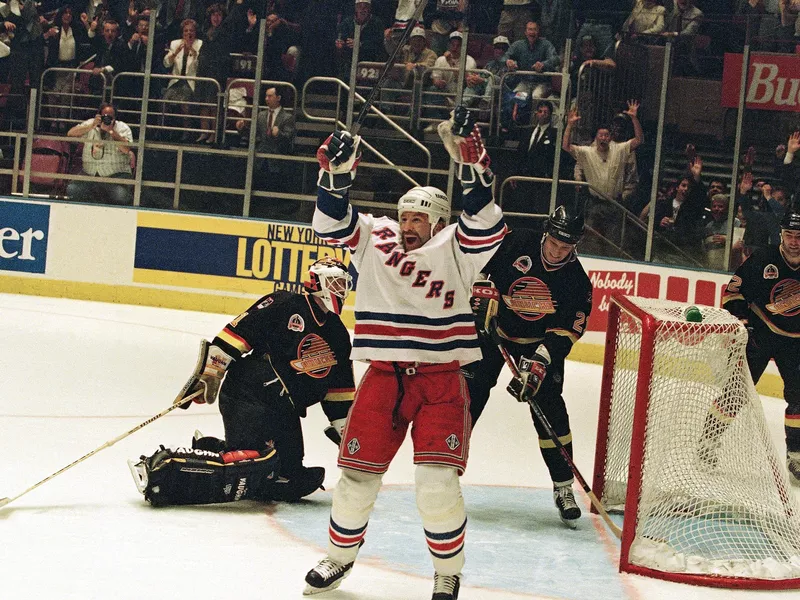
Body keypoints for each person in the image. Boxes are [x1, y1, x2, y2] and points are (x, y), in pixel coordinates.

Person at [303, 107, 506, 600]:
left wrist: (471, 166)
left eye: (420, 217)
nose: (409, 224)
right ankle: (339, 558)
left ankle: (446, 572)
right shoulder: (377, 238)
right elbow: (331, 225)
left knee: (436, 487)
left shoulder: (459, 249)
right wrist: (335, 176)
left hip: (440, 381)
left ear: (438, 221)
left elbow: (481, 219)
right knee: (354, 478)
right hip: (384, 376)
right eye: (405, 215)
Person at [129, 257, 357, 506]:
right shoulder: (284, 304)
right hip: (247, 395)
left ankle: (213, 448)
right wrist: (210, 372)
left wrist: (346, 430)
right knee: (256, 466)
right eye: (334, 283)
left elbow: (339, 389)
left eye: (343, 284)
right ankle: (165, 470)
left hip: (285, 409)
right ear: (315, 283)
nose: (340, 290)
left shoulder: (337, 333)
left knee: (287, 476)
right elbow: (239, 331)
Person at [462, 204, 592, 528]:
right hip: (495, 334)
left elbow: (566, 332)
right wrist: (480, 296)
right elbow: (480, 270)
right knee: (467, 396)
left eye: (565, 248)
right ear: (546, 233)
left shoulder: (577, 282)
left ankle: (563, 488)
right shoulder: (517, 242)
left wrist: (539, 364)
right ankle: (445, 471)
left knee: (550, 411)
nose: (557, 251)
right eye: (553, 243)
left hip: (538, 347)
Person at [708, 207, 800, 484]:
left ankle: (795, 454)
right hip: (759, 336)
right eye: (789, 235)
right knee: (735, 393)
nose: (794, 241)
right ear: (781, 235)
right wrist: (742, 322)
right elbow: (733, 291)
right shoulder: (763, 258)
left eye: (799, 236)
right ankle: (709, 442)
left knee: (799, 399)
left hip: (795, 343)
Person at [563, 100, 643, 249]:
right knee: (590, 241)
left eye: (606, 135)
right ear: (596, 137)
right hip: (595, 203)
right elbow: (566, 146)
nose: (604, 138)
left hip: (615, 204)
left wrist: (634, 118)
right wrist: (569, 125)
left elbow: (639, 140)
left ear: (610, 137)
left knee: (613, 242)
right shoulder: (587, 152)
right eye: (601, 135)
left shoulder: (619, 150)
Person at [66, 102, 134, 205]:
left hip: (115, 175)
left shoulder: (123, 128)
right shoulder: (91, 123)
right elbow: (70, 134)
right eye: (104, 116)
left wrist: (111, 131)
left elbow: (126, 149)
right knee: (72, 189)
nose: (107, 119)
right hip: (90, 173)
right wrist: (91, 126)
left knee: (120, 195)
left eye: (110, 117)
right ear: (99, 116)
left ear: (115, 118)